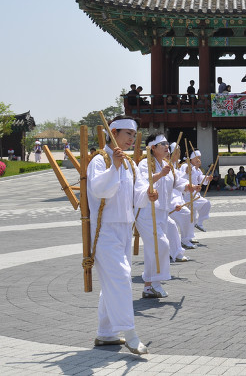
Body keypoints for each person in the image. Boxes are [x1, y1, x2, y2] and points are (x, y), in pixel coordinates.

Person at [87, 115, 150, 355]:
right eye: (128, 135)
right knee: (121, 278)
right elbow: (99, 190)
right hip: (104, 230)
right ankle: (130, 334)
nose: (132, 140)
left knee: (113, 281)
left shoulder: (131, 164)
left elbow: (137, 194)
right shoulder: (100, 160)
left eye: (133, 136)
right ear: (112, 133)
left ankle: (106, 334)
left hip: (124, 229)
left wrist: (148, 195)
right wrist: (113, 166)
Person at [136, 133, 190, 299]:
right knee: (162, 245)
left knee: (154, 249)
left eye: (167, 144)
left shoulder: (167, 164)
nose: (167, 147)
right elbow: (143, 182)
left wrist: (191, 186)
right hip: (147, 212)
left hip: (162, 213)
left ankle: (148, 286)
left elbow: (177, 183)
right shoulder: (145, 163)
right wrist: (160, 174)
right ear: (153, 148)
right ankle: (155, 283)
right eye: (163, 144)